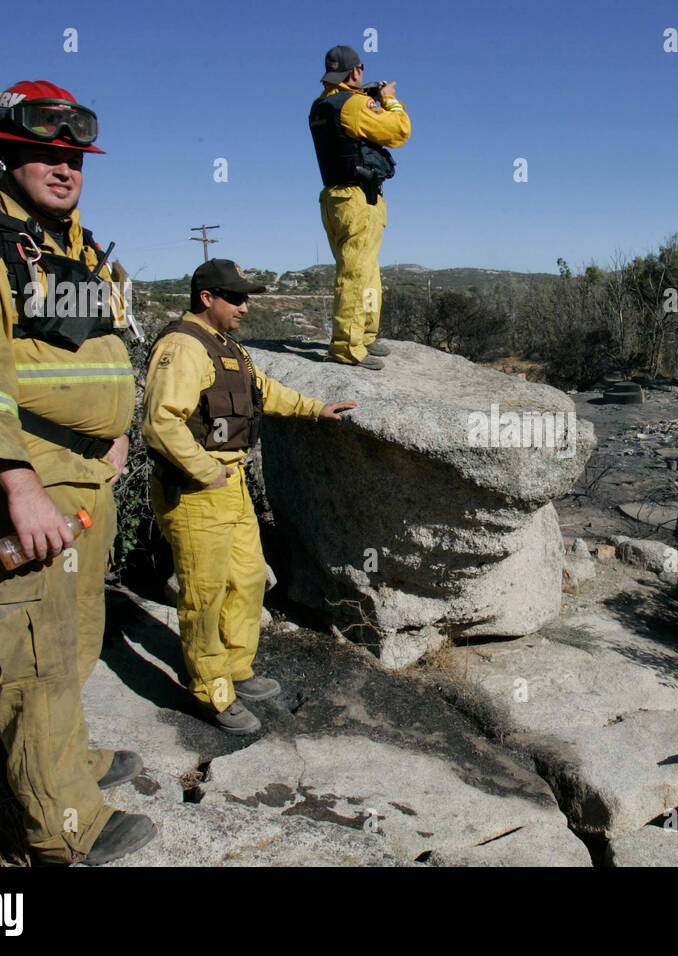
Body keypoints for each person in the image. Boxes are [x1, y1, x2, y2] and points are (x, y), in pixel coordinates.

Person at [0, 81, 155, 865]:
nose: (62, 167)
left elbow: (94, 355)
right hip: (19, 486)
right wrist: (18, 484)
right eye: (42, 153)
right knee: (37, 660)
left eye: (73, 155)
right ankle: (63, 830)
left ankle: (66, 763)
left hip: (82, 479)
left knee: (73, 640)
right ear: (4, 155)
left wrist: (113, 441)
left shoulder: (70, 247)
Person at [142, 259, 356, 734]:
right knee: (204, 595)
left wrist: (315, 408)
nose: (245, 306)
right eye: (236, 298)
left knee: (249, 579)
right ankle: (210, 692)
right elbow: (160, 423)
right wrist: (204, 470)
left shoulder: (227, 348)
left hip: (231, 486)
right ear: (206, 298)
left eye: (246, 297)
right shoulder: (182, 345)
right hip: (198, 491)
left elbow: (263, 392)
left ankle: (237, 668)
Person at [308, 44, 411, 370]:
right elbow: (398, 131)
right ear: (355, 72)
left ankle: (365, 333)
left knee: (366, 270)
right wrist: (389, 99)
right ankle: (348, 347)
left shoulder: (321, 105)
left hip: (336, 198)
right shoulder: (354, 105)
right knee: (356, 273)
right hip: (357, 197)